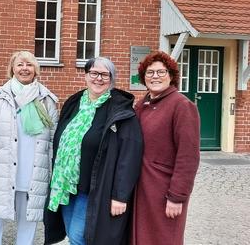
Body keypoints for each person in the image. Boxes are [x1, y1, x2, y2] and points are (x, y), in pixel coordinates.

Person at [44, 57, 143, 245]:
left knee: (79, 237)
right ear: (86, 76)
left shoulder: (120, 111)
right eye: (94, 73)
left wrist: (120, 196)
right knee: (71, 234)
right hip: (66, 185)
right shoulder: (74, 103)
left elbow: (129, 157)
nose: (99, 78)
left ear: (112, 79)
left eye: (105, 74)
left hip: (94, 190)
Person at [0, 50, 58, 245]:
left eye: (29, 64)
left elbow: (53, 142)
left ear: (35, 69)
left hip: (33, 174)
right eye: (20, 64)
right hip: (0, 173)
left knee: (27, 227)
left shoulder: (47, 100)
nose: (24, 69)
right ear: (12, 68)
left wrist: (52, 177)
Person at [131, 51, 200, 245]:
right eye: (150, 72)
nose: (155, 77)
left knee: (163, 239)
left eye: (161, 72)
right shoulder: (141, 105)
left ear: (171, 76)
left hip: (164, 190)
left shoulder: (182, 106)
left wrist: (177, 196)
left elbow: (188, 156)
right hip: (141, 189)